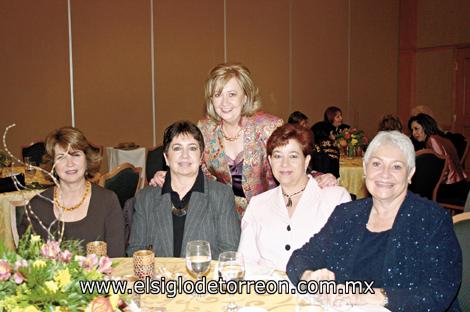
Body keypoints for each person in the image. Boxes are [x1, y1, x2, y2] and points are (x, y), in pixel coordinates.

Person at [287, 131, 462, 311]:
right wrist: (310, 277)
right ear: (365, 168)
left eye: (396, 167)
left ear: (410, 174)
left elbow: (439, 293)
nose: (384, 174)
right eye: (377, 164)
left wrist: (370, 296)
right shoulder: (347, 214)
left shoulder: (432, 219)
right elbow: (301, 258)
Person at [151, 63, 337, 217]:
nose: (224, 103)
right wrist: (171, 176)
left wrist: (319, 178)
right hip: (223, 215)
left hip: (270, 213)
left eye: (232, 94)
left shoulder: (268, 127)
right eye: (218, 95)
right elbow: (199, 173)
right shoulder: (204, 130)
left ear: (245, 96)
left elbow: (292, 163)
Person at [238, 124, 350, 271]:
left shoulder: (334, 199)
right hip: (266, 290)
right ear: (270, 161)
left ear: (307, 161)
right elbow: (245, 262)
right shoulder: (258, 204)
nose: (285, 164)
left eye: (293, 156)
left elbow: (346, 259)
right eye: (278, 156)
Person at [127, 121, 240, 259]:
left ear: (201, 157)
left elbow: (229, 252)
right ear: (166, 158)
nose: (185, 155)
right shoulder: (146, 198)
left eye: (192, 148)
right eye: (177, 148)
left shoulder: (221, 196)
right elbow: (136, 250)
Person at [19, 127, 125, 257]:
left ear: (87, 159)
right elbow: (26, 261)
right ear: (52, 164)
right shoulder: (37, 206)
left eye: (76, 155)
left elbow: (117, 259)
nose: (70, 164)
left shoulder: (108, 201)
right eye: (61, 157)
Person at [408, 113, 468, 199]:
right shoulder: (442, 138)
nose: (414, 133)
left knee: (415, 191)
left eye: (416, 129)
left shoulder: (432, 140)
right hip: (460, 185)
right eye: (412, 130)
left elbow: (442, 168)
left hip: (451, 188)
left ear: (426, 126)